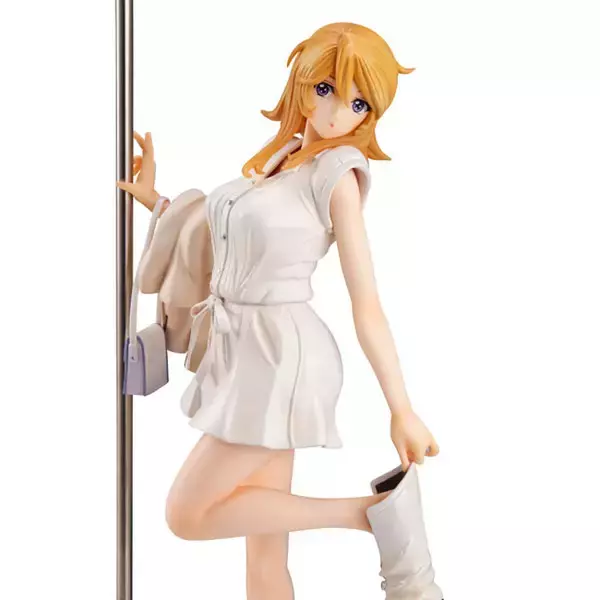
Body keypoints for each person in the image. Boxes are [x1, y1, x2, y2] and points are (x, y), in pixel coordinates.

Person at [117, 22, 444, 600]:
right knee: (265, 557)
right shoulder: (285, 157)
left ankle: (372, 516)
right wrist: (157, 202)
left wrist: (401, 409)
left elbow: (366, 303)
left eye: (358, 103)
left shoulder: (338, 175)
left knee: (187, 513)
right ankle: (378, 519)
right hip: (243, 353)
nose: (337, 112)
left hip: (281, 360)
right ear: (302, 83)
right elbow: (230, 240)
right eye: (326, 89)